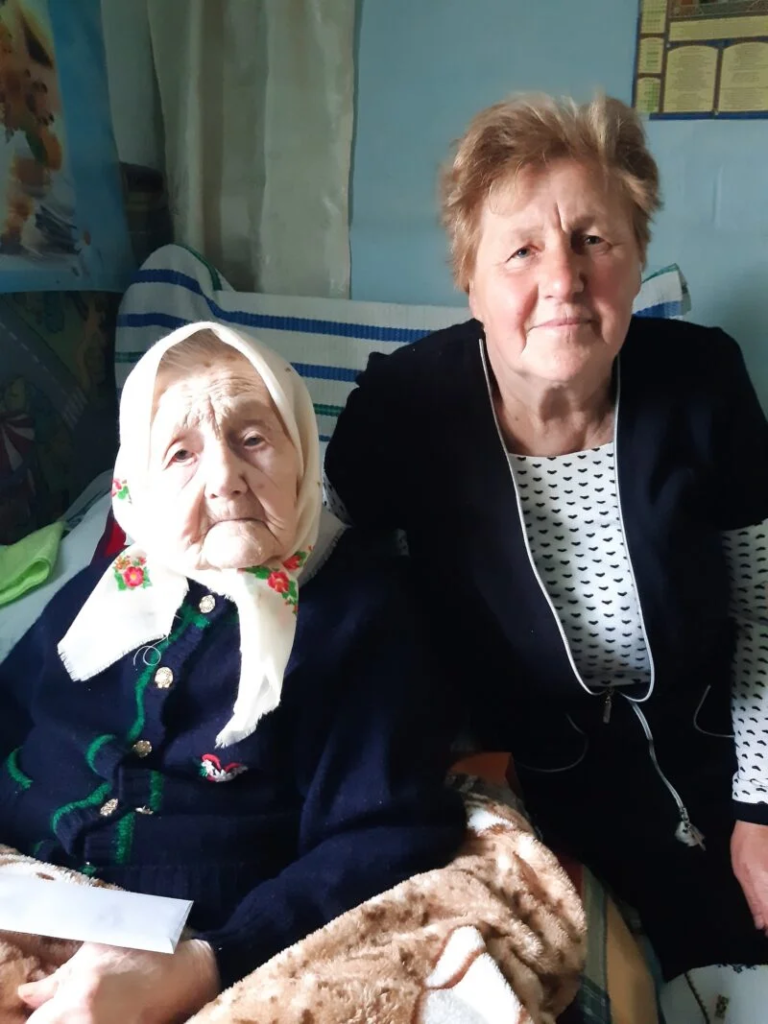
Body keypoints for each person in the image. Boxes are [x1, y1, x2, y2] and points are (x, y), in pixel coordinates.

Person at [325, 94, 768, 993]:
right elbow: (312, 569)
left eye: (593, 239)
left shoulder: (703, 382)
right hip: (519, 783)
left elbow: (765, 610)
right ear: (471, 280)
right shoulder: (405, 410)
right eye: (521, 250)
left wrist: (762, 808)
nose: (563, 278)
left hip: (719, 749)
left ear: (636, 259)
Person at [0, 321, 465, 1024]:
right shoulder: (105, 591)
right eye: (181, 454)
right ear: (139, 483)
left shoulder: (362, 617)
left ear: (301, 454)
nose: (223, 478)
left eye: (252, 439)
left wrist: (209, 960)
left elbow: (379, 833)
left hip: (183, 944)